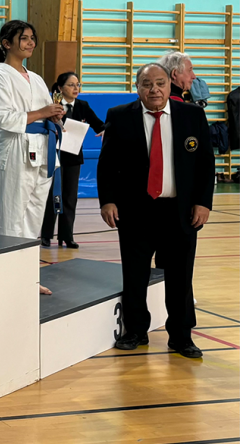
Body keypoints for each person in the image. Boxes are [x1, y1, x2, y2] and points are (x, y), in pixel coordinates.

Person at [97, 63, 214, 359]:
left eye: (160, 83)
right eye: (147, 84)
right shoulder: (119, 116)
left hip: (180, 211)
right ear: (137, 88)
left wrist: (204, 202)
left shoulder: (192, 115)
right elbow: (107, 164)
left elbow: (205, 163)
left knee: (180, 276)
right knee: (135, 275)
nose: (154, 90)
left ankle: (181, 336)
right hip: (135, 211)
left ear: (169, 85)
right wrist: (107, 200)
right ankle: (136, 331)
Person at [0, 20, 65, 295]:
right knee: (11, 221)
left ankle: (28, 278)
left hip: (43, 149)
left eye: (32, 38)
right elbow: (4, 119)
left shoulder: (37, 78)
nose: (31, 43)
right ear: (7, 44)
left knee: (33, 219)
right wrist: (43, 112)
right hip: (15, 149)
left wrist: (54, 115)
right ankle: (7, 281)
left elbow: (44, 112)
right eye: (24, 38)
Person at [40, 72, 105, 250]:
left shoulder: (83, 106)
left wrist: (105, 130)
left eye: (78, 85)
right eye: (71, 85)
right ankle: (46, 235)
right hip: (54, 156)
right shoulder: (52, 105)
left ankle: (67, 236)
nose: (76, 88)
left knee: (70, 198)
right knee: (53, 196)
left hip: (73, 158)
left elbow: (99, 124)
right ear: (60, 88)